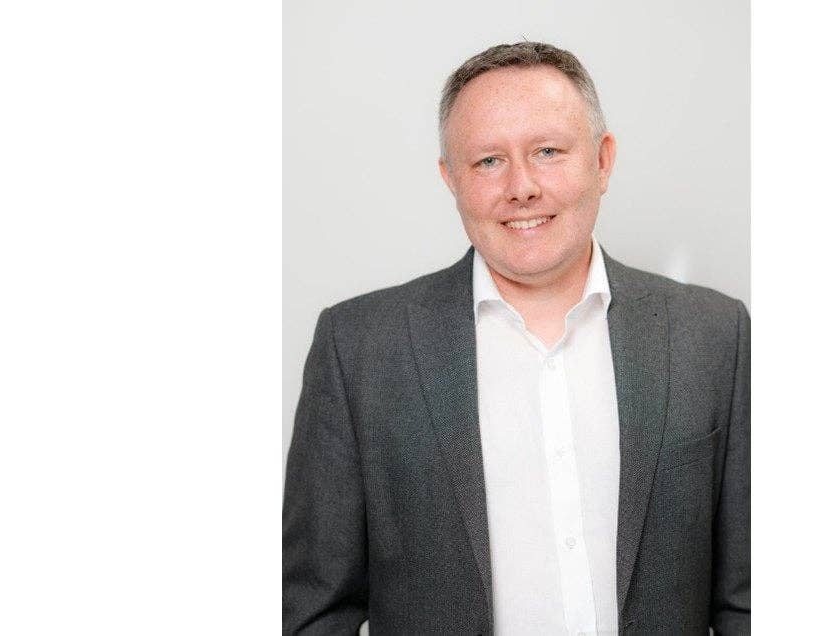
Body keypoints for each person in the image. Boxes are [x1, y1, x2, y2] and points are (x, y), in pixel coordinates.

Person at [284, 41, 749, 635]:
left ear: (603, 161)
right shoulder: (358, 349)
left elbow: (748, 598)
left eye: (548, 151)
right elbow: (313, 610)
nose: (521, 187)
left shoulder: (714, 336)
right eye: (487, 162)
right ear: (450, 179)